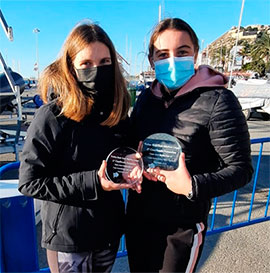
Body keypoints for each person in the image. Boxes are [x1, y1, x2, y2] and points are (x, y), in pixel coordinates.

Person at [126, 18, 254, 273]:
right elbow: (133, 144)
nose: (172, 60)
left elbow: (241, 169)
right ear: (152, 61)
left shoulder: (218, 100)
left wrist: (192, 186)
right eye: (163, 54)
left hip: (181, 226)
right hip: (139, 219)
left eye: (182, 52)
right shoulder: (146, 99)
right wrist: (133, 158)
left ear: (195, 54)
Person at [18, 22, 135, 273]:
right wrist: (95, 181)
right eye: (86, 64)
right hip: (70, 239)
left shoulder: (116, 113)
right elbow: (29, 182)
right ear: (71, 67)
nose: (97, 70)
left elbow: (124, 158)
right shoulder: (52, 116)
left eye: (105, 62)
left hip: (109, 231)